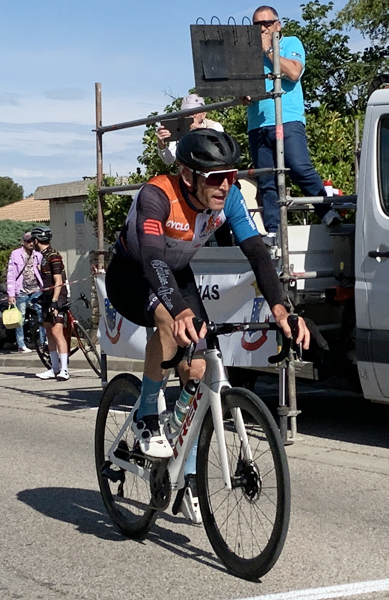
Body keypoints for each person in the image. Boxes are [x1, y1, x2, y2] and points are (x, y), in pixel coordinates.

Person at [104, 128, 310, 519]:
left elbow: (256, 252)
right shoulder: (157, 195)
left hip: (177, 274)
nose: (225, 185)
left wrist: (281, 309)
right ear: (188, 175)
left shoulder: (229, 198)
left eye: (231, 176)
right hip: (133, 274)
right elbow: (153, 259)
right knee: (169, 320)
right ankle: (147, 416)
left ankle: (188, 472)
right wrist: (178, 310)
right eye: (216, 178)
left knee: (197, 369)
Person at [247, 5, 339, 244]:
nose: (263, 29)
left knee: (299, 167)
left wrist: (269, 50)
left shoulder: (290, 43)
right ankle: (273, 230)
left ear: (278, 25)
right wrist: (242, 95)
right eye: (257, 25)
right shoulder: (247, 53)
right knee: (266, 179)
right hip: (258, 122)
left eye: (267, 23)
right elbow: (240, 86)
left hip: (287, 119)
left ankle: (327, 211)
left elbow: (294, 73)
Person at [32, 226, 71, 381]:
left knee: (57, 332)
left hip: (58, 297)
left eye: (33, 240)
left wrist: (54, 301)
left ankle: (64, 370)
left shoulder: (53, 256)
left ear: (37, 240)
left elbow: (58, 280)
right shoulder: (43, 256)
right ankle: (54, 368)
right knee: (48, 331)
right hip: (46, 297)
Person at [155, 94, 224, 165]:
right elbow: (169, 160)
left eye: (194, 112)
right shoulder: (179, 129)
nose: (190, 115)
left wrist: (203, 134)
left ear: (203, 114)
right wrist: (161, 144)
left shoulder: (214, 126)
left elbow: (221, 153)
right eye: (186, 113)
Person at [6, 231, 43, 353]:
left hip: (36, 289)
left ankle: (44, 342)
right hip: (21, 290)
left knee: (41, 313)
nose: (31, 243)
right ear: (24, 242)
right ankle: (21, 344)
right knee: (20, 317)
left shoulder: (38, 254)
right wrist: (11, 294)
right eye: (28, 241)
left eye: (32, 241)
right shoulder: (16, 254)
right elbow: (11, 274)